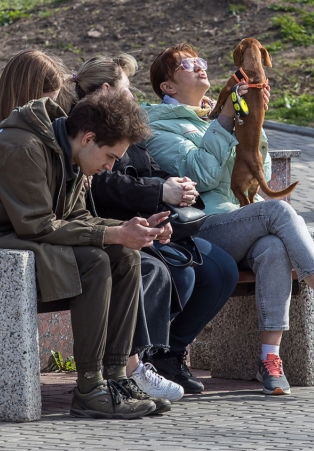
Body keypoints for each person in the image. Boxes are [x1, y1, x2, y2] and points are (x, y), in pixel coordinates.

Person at [144, 43, 314, 396]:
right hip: (200, 229)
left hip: (239, 221)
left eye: (200, 60)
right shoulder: (159, 127)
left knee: (274, 247)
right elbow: (202, 175)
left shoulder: (214, 116)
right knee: (277, 210)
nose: (200, 66)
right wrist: (226, 121)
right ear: (167, 87)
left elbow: (264, 171)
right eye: (187, 64)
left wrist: (252, 122)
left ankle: (269, 360)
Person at [0, 50, 179, 408]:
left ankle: (117, 377)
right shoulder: (24, 146)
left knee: (126, 256)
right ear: (89, 138)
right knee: (93, 260)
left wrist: (131, 229)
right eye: (110, 157)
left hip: (20, 238)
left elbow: (76, 218)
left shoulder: (70, 149)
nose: (110, 167)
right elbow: (37, 224)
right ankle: (90, 386)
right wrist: (112, 232)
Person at [70, 54, 239, 395]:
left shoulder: (123, 122)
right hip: (117, 225)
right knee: (179, 272)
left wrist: (175, 183)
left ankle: (169, 353)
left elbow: (147, 167)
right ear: (107, 89)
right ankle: (137, 362)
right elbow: (102, 185)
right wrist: (160, 190)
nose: (133, 96)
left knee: (221, 269)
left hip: (150, 220)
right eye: (127, 89)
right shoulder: (88, 127)